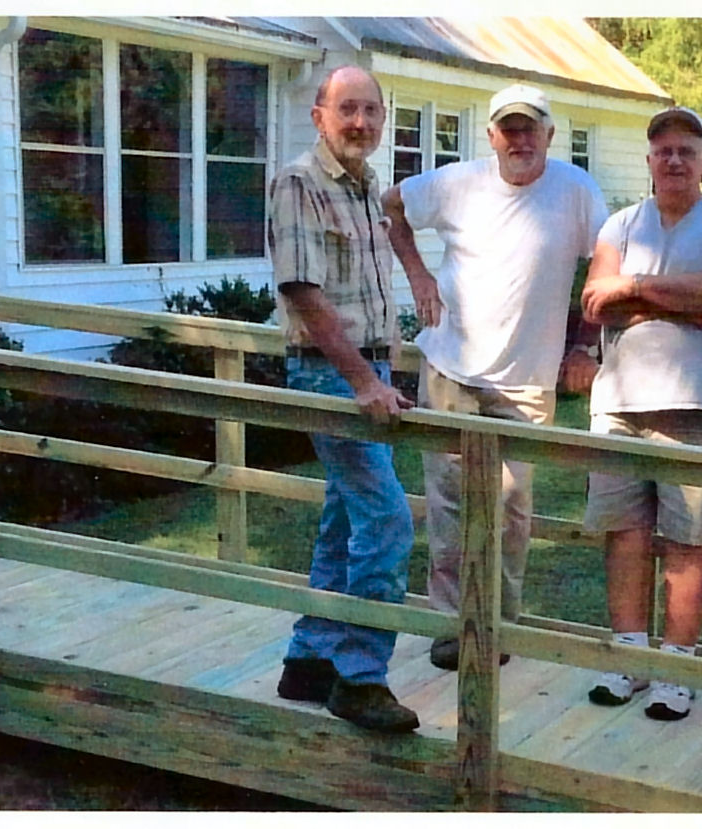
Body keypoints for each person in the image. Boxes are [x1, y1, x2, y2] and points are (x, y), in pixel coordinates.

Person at [382, 83, 608, 670]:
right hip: (450, 368)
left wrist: (586, 341)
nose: (520, 138)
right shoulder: (457, 183)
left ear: (550, 136)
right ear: (491, 137)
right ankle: (449, 628)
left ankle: (501, 629)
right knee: (450, 507)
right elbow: (391, 205)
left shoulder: (577, 191)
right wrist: (419, 279)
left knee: (510, 511)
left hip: (526, 380)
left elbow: (606, 263)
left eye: (530, 127)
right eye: (508, 128)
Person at [577, 107, 702, 721]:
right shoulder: (620, 224)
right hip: (618, 406)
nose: (674, 160)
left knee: (687, 541)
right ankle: (628, 657)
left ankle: (676, 671)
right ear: (650, 162)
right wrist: (660, 294)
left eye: (686, 150)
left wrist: (634, 289)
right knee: (624, 536)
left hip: (700, 405)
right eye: (663, 151)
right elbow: (596, 302)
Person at [268, 66, 418, 733]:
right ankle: (360, 675)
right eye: (346, 109)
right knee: (387, 520)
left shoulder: (366, 186)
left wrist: (383, 367)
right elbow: (304, 291)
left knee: (343, 518)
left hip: (367, 366)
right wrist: (362, 380)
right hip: (330, 374)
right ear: (319, 116)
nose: (360, 122)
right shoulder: (301, 182)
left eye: (370, 111)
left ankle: (309, 658)